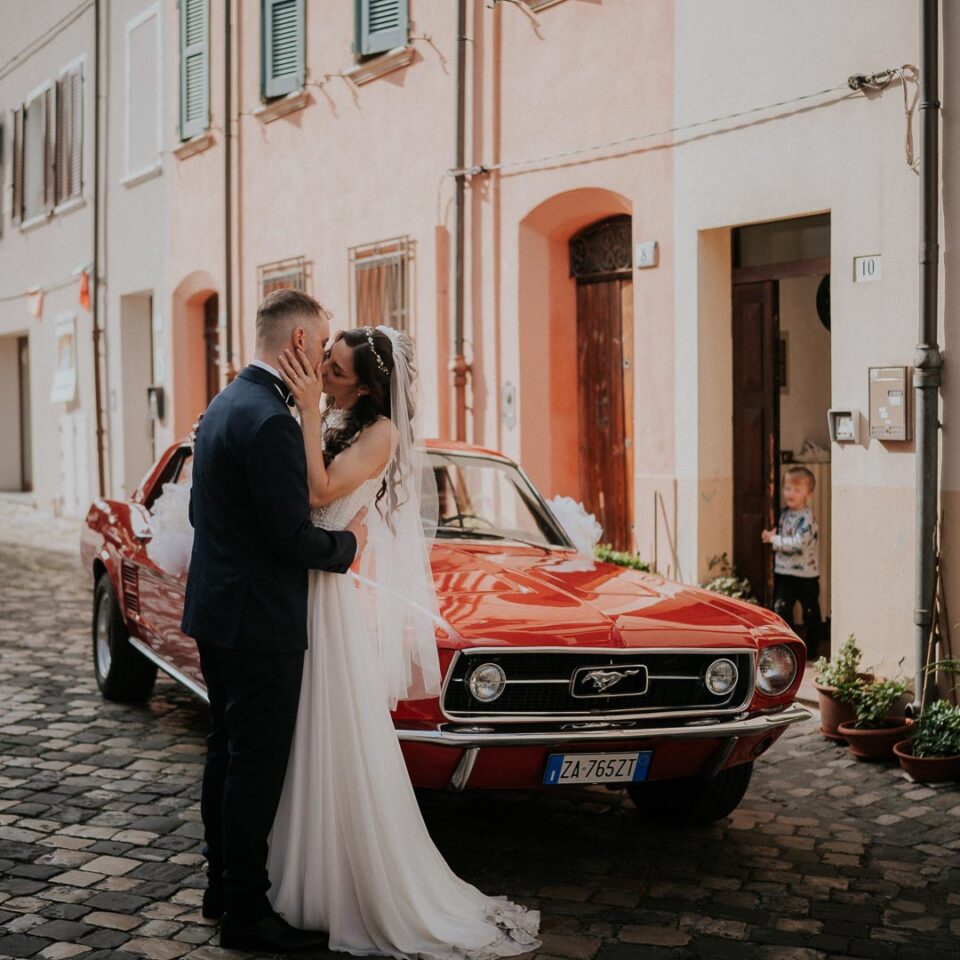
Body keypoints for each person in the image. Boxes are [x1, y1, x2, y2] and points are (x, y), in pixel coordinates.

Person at [266, 324, 540, 959]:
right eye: (324, 364)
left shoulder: (380, 432)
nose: (323, 376)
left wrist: (307, 409)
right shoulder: (337, 419)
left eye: (334, 371)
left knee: (329, 734)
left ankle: (347, 886)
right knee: (305, 737)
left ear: (366, 386)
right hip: (305, 586)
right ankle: (297, 873)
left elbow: (320, 492)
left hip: (324, 597)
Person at [181, 289, 369, 954]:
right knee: (254, 769)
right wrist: (349, 548)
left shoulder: (225, 403)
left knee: (226, 755)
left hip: (217, 612)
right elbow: (293, 539)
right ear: (296, 346)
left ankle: (218, 888)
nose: (322, 359)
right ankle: (245, 914)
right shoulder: (268, 421)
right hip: (259, 623)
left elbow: (207, 518)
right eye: (319, 348)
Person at [761, 465, 822, 657]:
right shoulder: (783, 514)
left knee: (810, 612)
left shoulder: (807, 518)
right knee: (781, 609)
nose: (791, 493)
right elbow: (781, 533)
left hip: (806, 575)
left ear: (808, 494)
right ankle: (787, 646)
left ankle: (812, 650)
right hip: (784, 573)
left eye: (797, 490)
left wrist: (773, 540)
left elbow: (798, 544)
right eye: (788, 488)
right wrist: (773, 534)